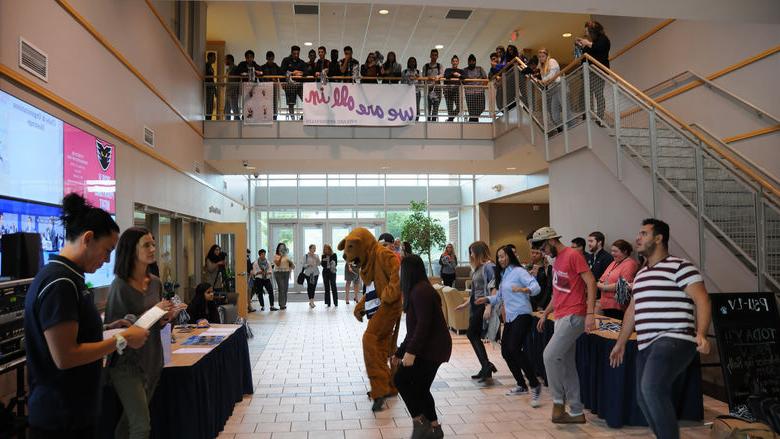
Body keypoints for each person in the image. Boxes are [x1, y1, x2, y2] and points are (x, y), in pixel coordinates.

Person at [23, 194, 149, 438]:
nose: (106, 260)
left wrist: (110, 327)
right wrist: (122, 339)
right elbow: (65, 356)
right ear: (88, 238)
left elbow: (73, 333)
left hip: (75, 411)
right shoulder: (60, 283)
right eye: (106, 250)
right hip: (61, 417)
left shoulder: (70, 278)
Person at [610, 219, 711, 439]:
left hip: (674, 338)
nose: (638, 238)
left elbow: (702, 299)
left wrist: (701, 333)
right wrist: (620, 343)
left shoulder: (681, 266)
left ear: (659, 238)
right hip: (647, 344)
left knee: (652, 389)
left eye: (644, 234)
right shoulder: (642, 274)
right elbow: (632, 312)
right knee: (643, 397)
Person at [105, 227, 183, 439]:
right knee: (141, 426)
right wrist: (155, 311)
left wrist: (165, 316)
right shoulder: (119, 286)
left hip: (151, 359)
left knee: (130, 423)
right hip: (127, 365)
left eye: (153, 244)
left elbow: (154, 324)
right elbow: (118, 330)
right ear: (131, 250)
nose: (152, 249)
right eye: (146, 245)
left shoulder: (155, 282)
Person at [532, 226, 596, 424]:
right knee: (567, 366)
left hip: (574, 314)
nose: (542, 252)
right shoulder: (557, 260)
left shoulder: (573, 255)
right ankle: (577, 412)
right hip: (560, 315)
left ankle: (558, 402)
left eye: (543, 248)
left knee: (549, 356)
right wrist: (546, 313)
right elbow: (558, 291)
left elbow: (591, 282)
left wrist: (591, 313)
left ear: (551, 241)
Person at [393, 255, 452, 439]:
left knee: (402, 380)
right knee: (419, 387)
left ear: (409, 271)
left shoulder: (421, 291)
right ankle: (433, 428)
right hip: (429, 347)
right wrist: (400, 352)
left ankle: (421, 423)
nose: (399, 273)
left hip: (433, 349)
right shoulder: (417, 290)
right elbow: (413, 331)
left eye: (401, 269)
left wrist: (410, 353)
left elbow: (423, 326)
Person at [475, 246, 542, 405]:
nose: (500, 260)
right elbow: (499, 296)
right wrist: (487, 300)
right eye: (498, 257)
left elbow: (536, 287)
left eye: (503, 256)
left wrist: (525, 289)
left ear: (510, 256)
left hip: (523, 314)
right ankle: (521, 384)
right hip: (511, 317)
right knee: (506, 351)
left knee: (513, 348)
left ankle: (534, 384)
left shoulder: (519, 271)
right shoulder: (503, 274)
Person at [455, 241, 497, 382]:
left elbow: (494, 287)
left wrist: (489, 306)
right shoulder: (477, 268)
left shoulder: (489, 267)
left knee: (472, 334)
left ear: (479, 252)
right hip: (475, 305)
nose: (470, 255)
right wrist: (465, 304)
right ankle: (486, 366)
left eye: (472, 252)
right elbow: (474, 291)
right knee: (474, 335)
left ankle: (486, 365)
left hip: (482, 306)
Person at [577, 20, 611, 124]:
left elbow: (599, 49)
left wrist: (588, 43)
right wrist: (583, 46)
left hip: (598, 71)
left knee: (598, 94)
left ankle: (599, 118)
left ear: (593, 31)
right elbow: (586, 56)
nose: (586, 33)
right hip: (588, 72)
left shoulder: (604, 39)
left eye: (587, 31)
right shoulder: (594, 41)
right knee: (583, 94)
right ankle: (586, 115)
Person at [597, 239, 639, 320]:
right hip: (605, 303)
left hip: (617, 306)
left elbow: (623, 285)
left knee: (613, 330)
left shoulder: (630, 264)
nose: (612, 253)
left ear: (625, 252)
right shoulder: (614, 262)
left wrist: (604, 287)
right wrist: (600, 284)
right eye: (612, 251)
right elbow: (601, 279)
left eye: (615, 251)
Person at [538, 48, 562, 133]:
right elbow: (544, 80)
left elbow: (552, 75)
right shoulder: (542, 67)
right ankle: (560, 128)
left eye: (543, 56)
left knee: (565, 109)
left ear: (547, 56)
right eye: (540, 57)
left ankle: (569, 128)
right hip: (552, 89)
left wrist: (543, 81)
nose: (541, 58)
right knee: (554, 112)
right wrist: (542, 81)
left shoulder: (552, 61)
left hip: (559, 86)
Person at [280, 45, 308, 119]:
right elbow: (282, 71)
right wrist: (292, 73)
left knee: (306, 99)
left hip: (299, 85)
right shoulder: (286, 60)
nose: (296, 55)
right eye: (294, 53)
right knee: (291, 103)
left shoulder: (301, 62)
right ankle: (292, 118)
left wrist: (299, 72)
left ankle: (304, 116)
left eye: (298, 54)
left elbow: (306, 72)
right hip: (289, 85)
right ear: (291, 53)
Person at [462, 54, 487, 122]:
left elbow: (486, 79)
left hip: (479, 92)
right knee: (472, 111)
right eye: (470, 61)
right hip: (469, 93)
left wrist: (483, 87)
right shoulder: (465, 70)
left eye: (473, 61)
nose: (472, 62)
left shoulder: (480, 68)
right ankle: (473, 124)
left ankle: (471, 119)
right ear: (468, 62)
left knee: (482, 107)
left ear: (475, 62)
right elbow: (462, 81)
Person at [258, 51, 281, 120]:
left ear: (274, 58)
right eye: (269, 59)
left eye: (272, 59)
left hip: (274, 88)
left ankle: (274, 116)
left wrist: (275, 79)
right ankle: (265, 116)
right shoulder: (262, 67)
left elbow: (281, 74)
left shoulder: (276, 66)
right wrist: (266, 81)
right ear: (266, 58)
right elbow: (260, 78)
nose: (271, 60)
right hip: (265, 89)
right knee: (265, 102)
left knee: (274, 103)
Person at [423, 49, 443, 122]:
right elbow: (423, 77)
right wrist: (429, 78)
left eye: (435, 55)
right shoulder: (426, 66)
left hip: (437, 89)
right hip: (428, 89)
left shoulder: (439, 66)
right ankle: (428, 121)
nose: (434, 56)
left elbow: (442, 74)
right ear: (430, 55)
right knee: (428, 107)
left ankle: (434, 122)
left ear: (437, 56)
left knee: (435, 108)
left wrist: (438, 77)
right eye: (433, 55)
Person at [273, 243, 294, 310]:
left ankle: (284, 303)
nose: (282, 248)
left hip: (286, 272)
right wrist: (281, 257)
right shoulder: (276, 256)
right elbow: (278, 264)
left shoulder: (287, 255)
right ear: (278, 248)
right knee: (281, 288)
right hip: (278, 273)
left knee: (285, 289)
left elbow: (292, 266)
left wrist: (290, 262)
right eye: (281, 247)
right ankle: (281, 304)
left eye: (283, 247)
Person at [443, 55, 464, 122]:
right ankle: (450, 121)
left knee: (459, 107)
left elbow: (464, 77)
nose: (455, 62)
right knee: (450, 109)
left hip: (456, 91)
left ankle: (450, 119)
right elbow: (446, 76)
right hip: (448, 91)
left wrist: (459, 75)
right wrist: (454, 74)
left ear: (458, 62)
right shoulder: (448, 70)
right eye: (453, 61)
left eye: (456, 61)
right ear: (451, 62)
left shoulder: (461, 71)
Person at [303, 244, 320, 308]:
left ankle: (312, 301)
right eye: (313, 248)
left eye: (315, 248)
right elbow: (303, 265)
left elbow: (319, 264)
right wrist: (308, 265)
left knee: (313, 287)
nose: (314, 249)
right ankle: (311, 301)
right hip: (308, 274)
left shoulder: (316, 255)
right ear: (310, 249)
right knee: (310, 287)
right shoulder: (306, 256)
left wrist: (317, 259)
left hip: (315, 273)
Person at [224, 54, 240, 120]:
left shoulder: (235, 68)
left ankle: (238, 124)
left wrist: (236, 90)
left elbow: (237, 80)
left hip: (233, 92)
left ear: (230, 60)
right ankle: (228, 124)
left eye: (225, 59)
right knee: (226, 111)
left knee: (235, 109)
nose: (224, 61)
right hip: (227, 91)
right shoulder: (227, 70)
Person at [205, 52, 216, 120]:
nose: (215, 59)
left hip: (211, 87)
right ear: (209, 57)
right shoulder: (206, 66)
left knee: (211, 105)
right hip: (208, 87)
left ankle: (209, 118)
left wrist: (215, 89)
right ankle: (208, 118)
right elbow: (209, 78)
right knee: (208, 105)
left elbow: (212, 79)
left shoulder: (210, 66)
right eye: (214, 57)